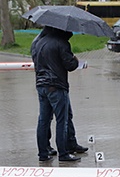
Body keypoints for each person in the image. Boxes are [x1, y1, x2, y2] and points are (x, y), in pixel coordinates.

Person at [32, 26, 89, 162]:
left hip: (41, 85)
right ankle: (64, 154)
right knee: (62, 120)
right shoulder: (62, 43)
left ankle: (43, 154)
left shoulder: (39, 42)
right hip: (57, 86)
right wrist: (74, 59)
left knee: (43, 120)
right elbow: (70, 65)